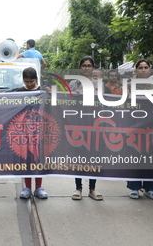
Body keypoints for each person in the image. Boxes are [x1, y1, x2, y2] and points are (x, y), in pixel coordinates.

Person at [69, 56, 103, 201]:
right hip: (78, 122)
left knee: (93, 155)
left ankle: (92, 189)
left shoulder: (98, 84)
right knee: (79, 155)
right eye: (84, 65)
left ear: (93, 67)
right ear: (80, 67)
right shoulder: (73, 83)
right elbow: (66, 100)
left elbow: (105, 100)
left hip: (95, 122)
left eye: (89, 65)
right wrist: (74, 96)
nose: (87, 68)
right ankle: (78, 188)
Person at [127, 59, 153, 199]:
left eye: (146, 67)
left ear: (150, 70)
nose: (144, 70)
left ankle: (151, 188)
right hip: (134, 125)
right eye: (140, 67)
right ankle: (134, 187)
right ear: (136, 70)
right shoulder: (128, 85)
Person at [14, 67, 48, 199]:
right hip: (24, 131)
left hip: (41, 131)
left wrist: (50, 93)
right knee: (27, 159)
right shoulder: (18, 92)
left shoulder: (43, 91)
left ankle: (39, 187)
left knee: (39, 159)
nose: (28, 84)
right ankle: (27, 187)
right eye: (26, 82)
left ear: (36, 79)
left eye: (31, 82)